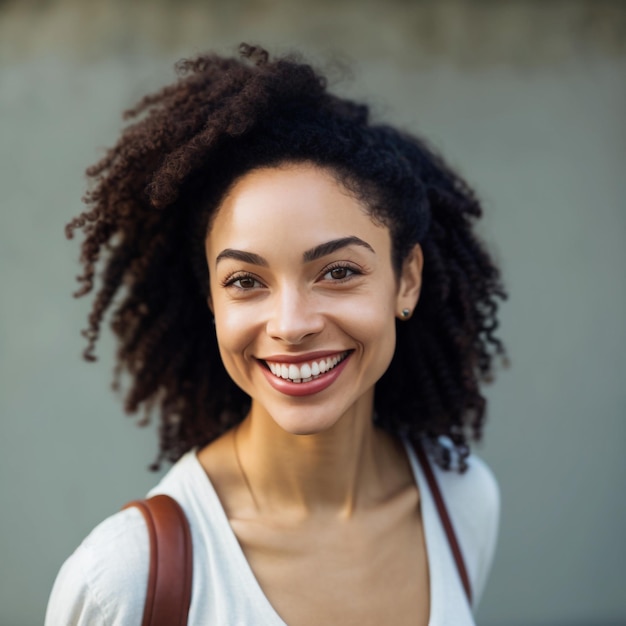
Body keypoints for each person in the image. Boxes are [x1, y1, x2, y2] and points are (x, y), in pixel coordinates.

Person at [45, 44, 506, 625]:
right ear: (211, 299)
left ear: (406, 280)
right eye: (245, 280)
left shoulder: (463, 500)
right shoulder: (124, 579)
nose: (290, 325)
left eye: (338, 272)